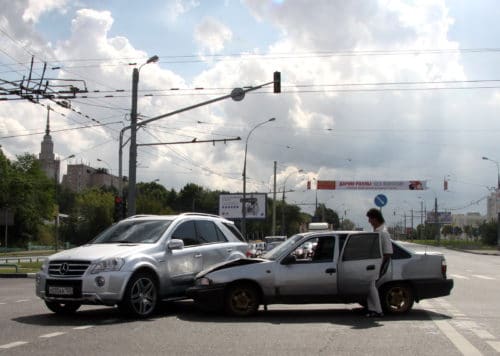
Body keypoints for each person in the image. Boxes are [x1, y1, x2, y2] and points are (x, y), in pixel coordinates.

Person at [365, 208, 393, 318]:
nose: (369, 221)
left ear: (375, 218)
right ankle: (373, 309)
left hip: (378, 265)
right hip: (374, 265)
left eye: (370, 219)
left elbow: (388, 253)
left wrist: (380, 267)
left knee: (371, 286)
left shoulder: (383, 233)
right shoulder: (377, 232)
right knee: (370, 286)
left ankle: (377, 310)